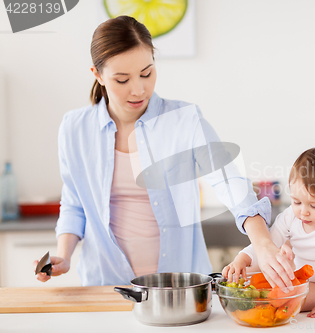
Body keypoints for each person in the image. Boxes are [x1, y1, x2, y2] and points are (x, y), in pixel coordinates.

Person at [34, 15, 294, 289]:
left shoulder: (184, 120)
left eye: (146, 73)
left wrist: (263, 243)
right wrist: (62, 254)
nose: (139, 89)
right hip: (106, 285)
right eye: (122, 80)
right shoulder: (75, 128)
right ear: (97, 75)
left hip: (180, 287)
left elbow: (229, 181)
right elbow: (75, 203)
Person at [222, 148, 315, 318]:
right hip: (300, 278)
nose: (303, 212)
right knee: (260, 278)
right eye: (296, 201)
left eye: (314, 206)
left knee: (279, 297)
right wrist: (243, 258)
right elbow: (267, 243)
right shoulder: (290, 216)